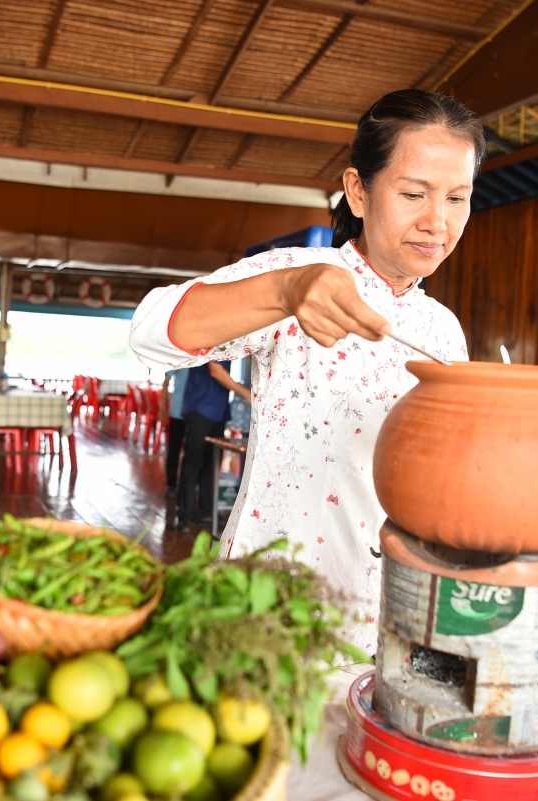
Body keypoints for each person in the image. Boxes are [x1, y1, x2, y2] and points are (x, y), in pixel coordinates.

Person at [129, 89, 482, 649]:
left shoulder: (444, 330)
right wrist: (285, 292)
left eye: (457, 198)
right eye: (414, 193)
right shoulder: (303, 273)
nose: (437, 221)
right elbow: (149, 331)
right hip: (274, 600)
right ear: (358, 191)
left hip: (393, 609)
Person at [175, 362, 252, 533]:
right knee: (193, 462)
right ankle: (184, 515)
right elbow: (216, 371)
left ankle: (206, 512)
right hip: (200, 407)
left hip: (218, 408)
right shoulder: (210, 338)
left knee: (212, 463)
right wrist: (246, 393)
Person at [163, 368, 190, 498]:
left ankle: (188, 486)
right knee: (174, 450)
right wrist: (162, 406)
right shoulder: (180, 357)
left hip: (195, 414)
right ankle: (172, 485)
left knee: (191, 452)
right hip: (177, 412)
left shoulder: (203, 358)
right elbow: (166, 380)